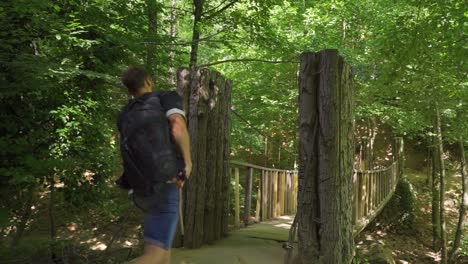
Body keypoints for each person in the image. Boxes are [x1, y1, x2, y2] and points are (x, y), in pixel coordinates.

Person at [118, 66, 192, 264]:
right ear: (149, 81)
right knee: (155, 254)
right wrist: (187, 162)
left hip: (141, 185)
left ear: (130, 89)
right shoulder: (165, 97)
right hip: (166, 178)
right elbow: (177, 124)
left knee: (161, 249)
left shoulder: (126, 112)